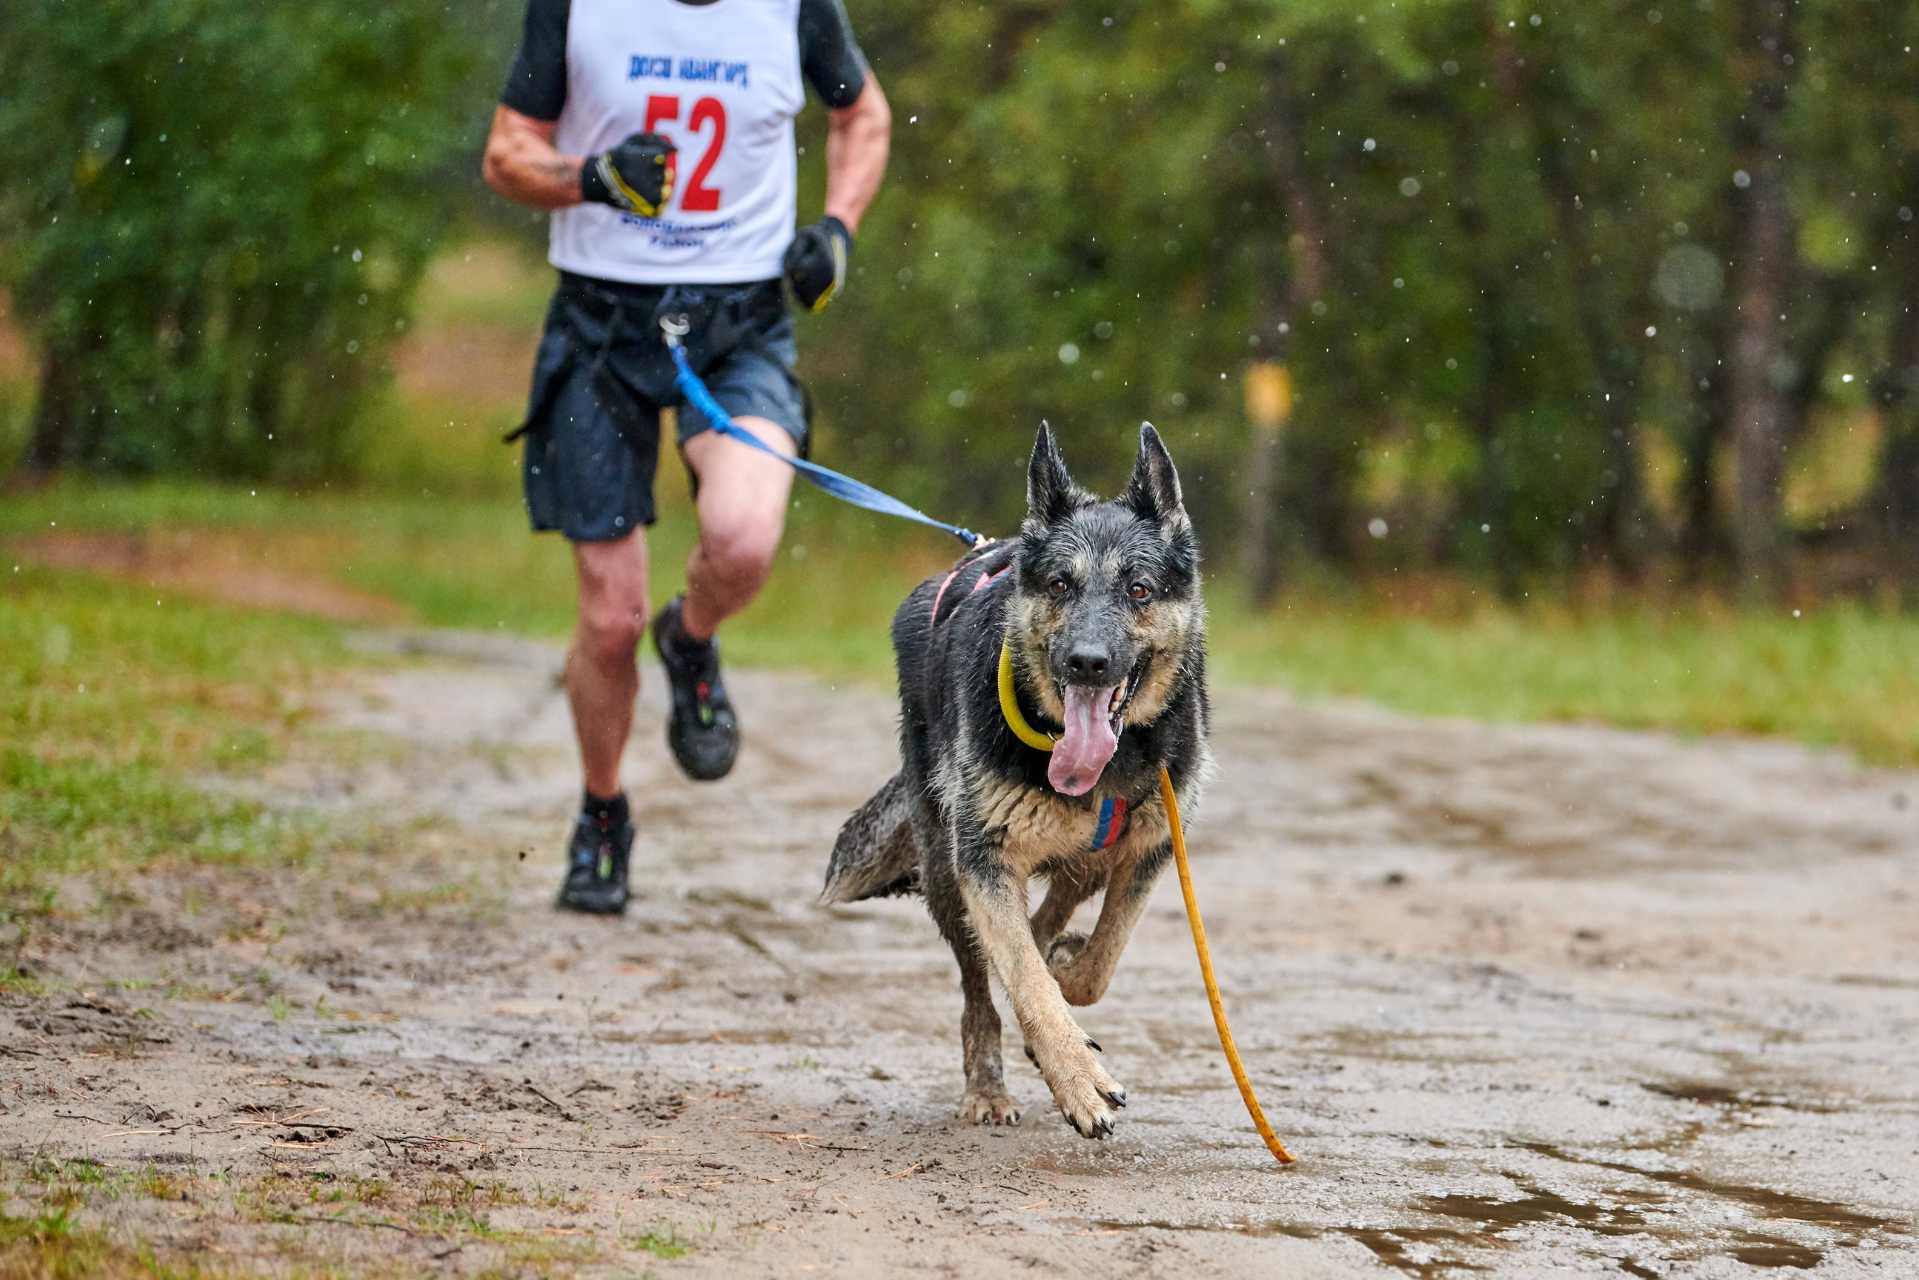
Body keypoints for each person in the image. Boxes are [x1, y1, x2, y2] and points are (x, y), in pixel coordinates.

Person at [480, 0, 890, 914]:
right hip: (599, 328)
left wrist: (836, 231)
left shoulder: (793, 8)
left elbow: (862, 113)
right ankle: (601, 812)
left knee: (742, 539)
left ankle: (692, 637)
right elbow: (506, 152)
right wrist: (590, 177)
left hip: (740, 326)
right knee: (609, 616)